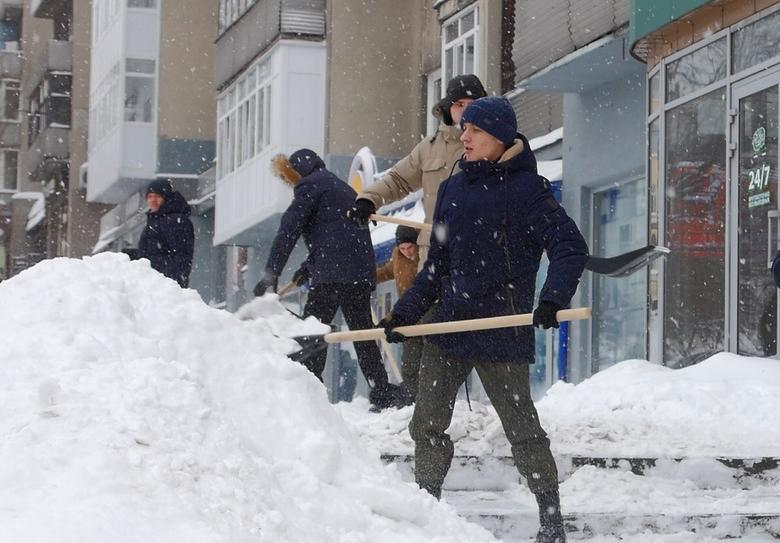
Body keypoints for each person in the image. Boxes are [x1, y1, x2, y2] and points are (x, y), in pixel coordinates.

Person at [378, 96, 589, 543]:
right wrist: (405, 313)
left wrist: (552, 298)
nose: (464, 137)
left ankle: (551, 522)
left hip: (500, 329)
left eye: (473, 131)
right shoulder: (454, 189)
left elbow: (569, 246)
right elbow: (437, 267)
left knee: (522, 428)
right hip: (449, 324)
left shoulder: (530, 190)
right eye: (463, 130)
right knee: (427, 424)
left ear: (498, 137)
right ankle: (427, 512)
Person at [253, 148, 404, 410]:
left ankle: (308, 391)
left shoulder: (308, 186)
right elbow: (336, 236)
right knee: (362, 332)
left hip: (332, 275)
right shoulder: (340, 188)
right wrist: (307, 268)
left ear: (297, 171)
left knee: (313, 331)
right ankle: (380, 389)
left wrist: (271, 272)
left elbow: (289, 229)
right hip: (358, 273)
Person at [347, 73, 487, 263]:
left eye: (472, 105)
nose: (465, 112)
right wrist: (368, 200)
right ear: (448, 108)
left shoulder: (494, 144)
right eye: (459, 105)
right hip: (435, 253)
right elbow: (398, 180)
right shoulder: (429, 147)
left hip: (482, 248)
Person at [375, 225, 421, 399]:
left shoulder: (426, 253)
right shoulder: (397, 255)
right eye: (402, 248)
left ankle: (425, 400)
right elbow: (388, 271)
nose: (407, 252)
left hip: (427, 315)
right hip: (407, 318)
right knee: (409, 363)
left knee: (428, 362)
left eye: (410, 248)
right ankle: (411, 399)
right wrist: (367, 278)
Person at [126, 179, 194, 288]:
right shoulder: (156, 221)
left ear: (166, 198)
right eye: (150, 197)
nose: (153, 200)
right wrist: (131, 255)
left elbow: (181, 256)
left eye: (157, 196)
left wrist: (171, 281)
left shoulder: (175, 221)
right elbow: (152, 254)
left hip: (164, 285)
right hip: (154, 282)